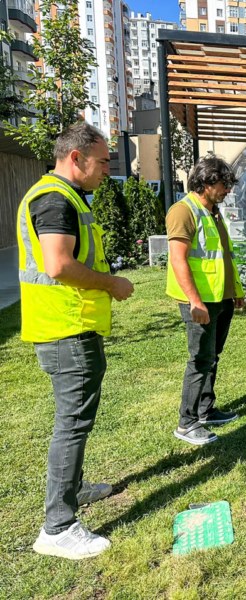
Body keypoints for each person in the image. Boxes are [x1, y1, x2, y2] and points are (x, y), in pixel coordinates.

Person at [18, 122, 134, 559]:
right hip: (66, 329)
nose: (108, 170)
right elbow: (58, 265)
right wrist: (111, 283)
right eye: (103, 161)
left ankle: (74, 488)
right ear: (76, 159)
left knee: (75, 422)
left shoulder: (63, 196)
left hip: (69, 326)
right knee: (72, 425)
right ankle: (58, 526)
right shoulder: (54, 200)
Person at [166, 155, 245, 445]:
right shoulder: (183, 211)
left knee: (212, 356)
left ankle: (205, 410)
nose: (228, 191)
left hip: (219, 297)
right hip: (200, 301)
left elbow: (223, 255)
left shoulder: (211, 211)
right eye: (225, 185)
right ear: (208, 182)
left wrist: (234, 290)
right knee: (200, 359)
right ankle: (187, 423)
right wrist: (195, 302)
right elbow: (179, 260)